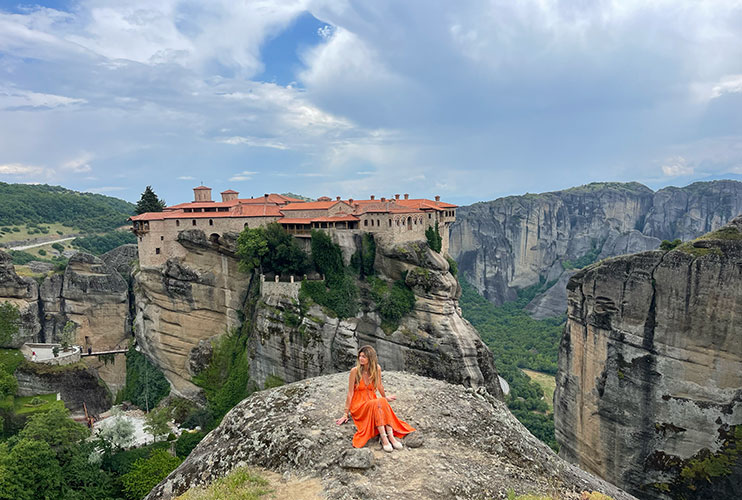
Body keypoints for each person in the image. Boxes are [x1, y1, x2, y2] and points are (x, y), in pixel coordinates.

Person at [335, 345, 415, 452]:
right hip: (359, 406)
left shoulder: (377, 369)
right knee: (378, 402)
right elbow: (350, 393)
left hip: (372, 401)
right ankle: (384, 438)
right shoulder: (355, 371)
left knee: (381, 401)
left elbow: (379, 385)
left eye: (364, 356)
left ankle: (390, 436)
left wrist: (385, 397)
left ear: (370, 358)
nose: (360, 359)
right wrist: (345, 413)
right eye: (360, 356)